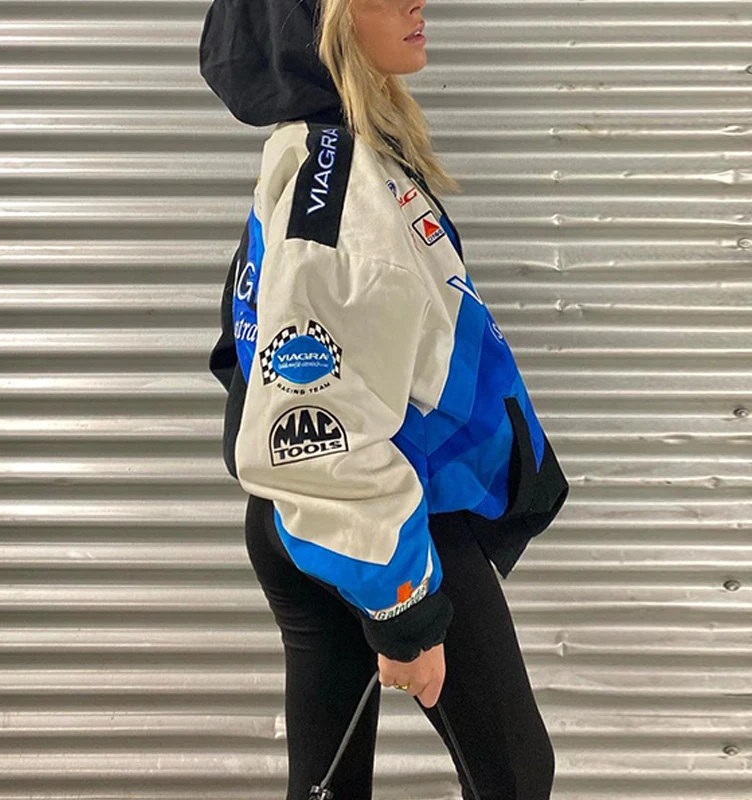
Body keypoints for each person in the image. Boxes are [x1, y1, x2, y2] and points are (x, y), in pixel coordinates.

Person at [199, 0, 570, 797]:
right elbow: (311, 430)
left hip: (332, 515)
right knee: (515, 777)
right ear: (319, 22)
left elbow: (249, 356)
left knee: (329, 786)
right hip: (387, 518)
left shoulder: (320, 153)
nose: (416, 1)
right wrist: (404, 603)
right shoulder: (336, 190)